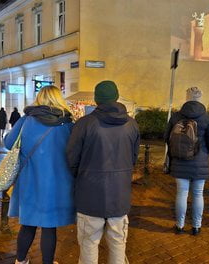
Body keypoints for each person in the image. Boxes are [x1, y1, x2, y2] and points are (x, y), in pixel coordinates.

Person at [66, 80, 140, 264]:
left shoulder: (84, 124)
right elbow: (133, 157)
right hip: (119, 194)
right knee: (117, 244)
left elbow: (71, 158)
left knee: (89, 244)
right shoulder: (131, 125)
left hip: (89, 194)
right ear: (116, 97)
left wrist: (82, 175)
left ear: (97, 100)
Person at [4, 86, 75, 264]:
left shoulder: (26, 121)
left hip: (30, 182)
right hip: (57, 184)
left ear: (39, 98)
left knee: (27, 225)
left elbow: (8, 143)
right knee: (49, 227)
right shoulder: (68, 125)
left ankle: (20, 261)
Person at [164, 87, 209, 235]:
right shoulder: (206, 117)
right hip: (200, 161)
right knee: (198, 194)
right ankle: (196, 227)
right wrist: (205, 151)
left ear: (187, 97)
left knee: (181, 193)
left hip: (179, 160)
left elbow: (166, 137)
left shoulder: (176, 116)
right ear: (200, 98)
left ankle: (180, 225)